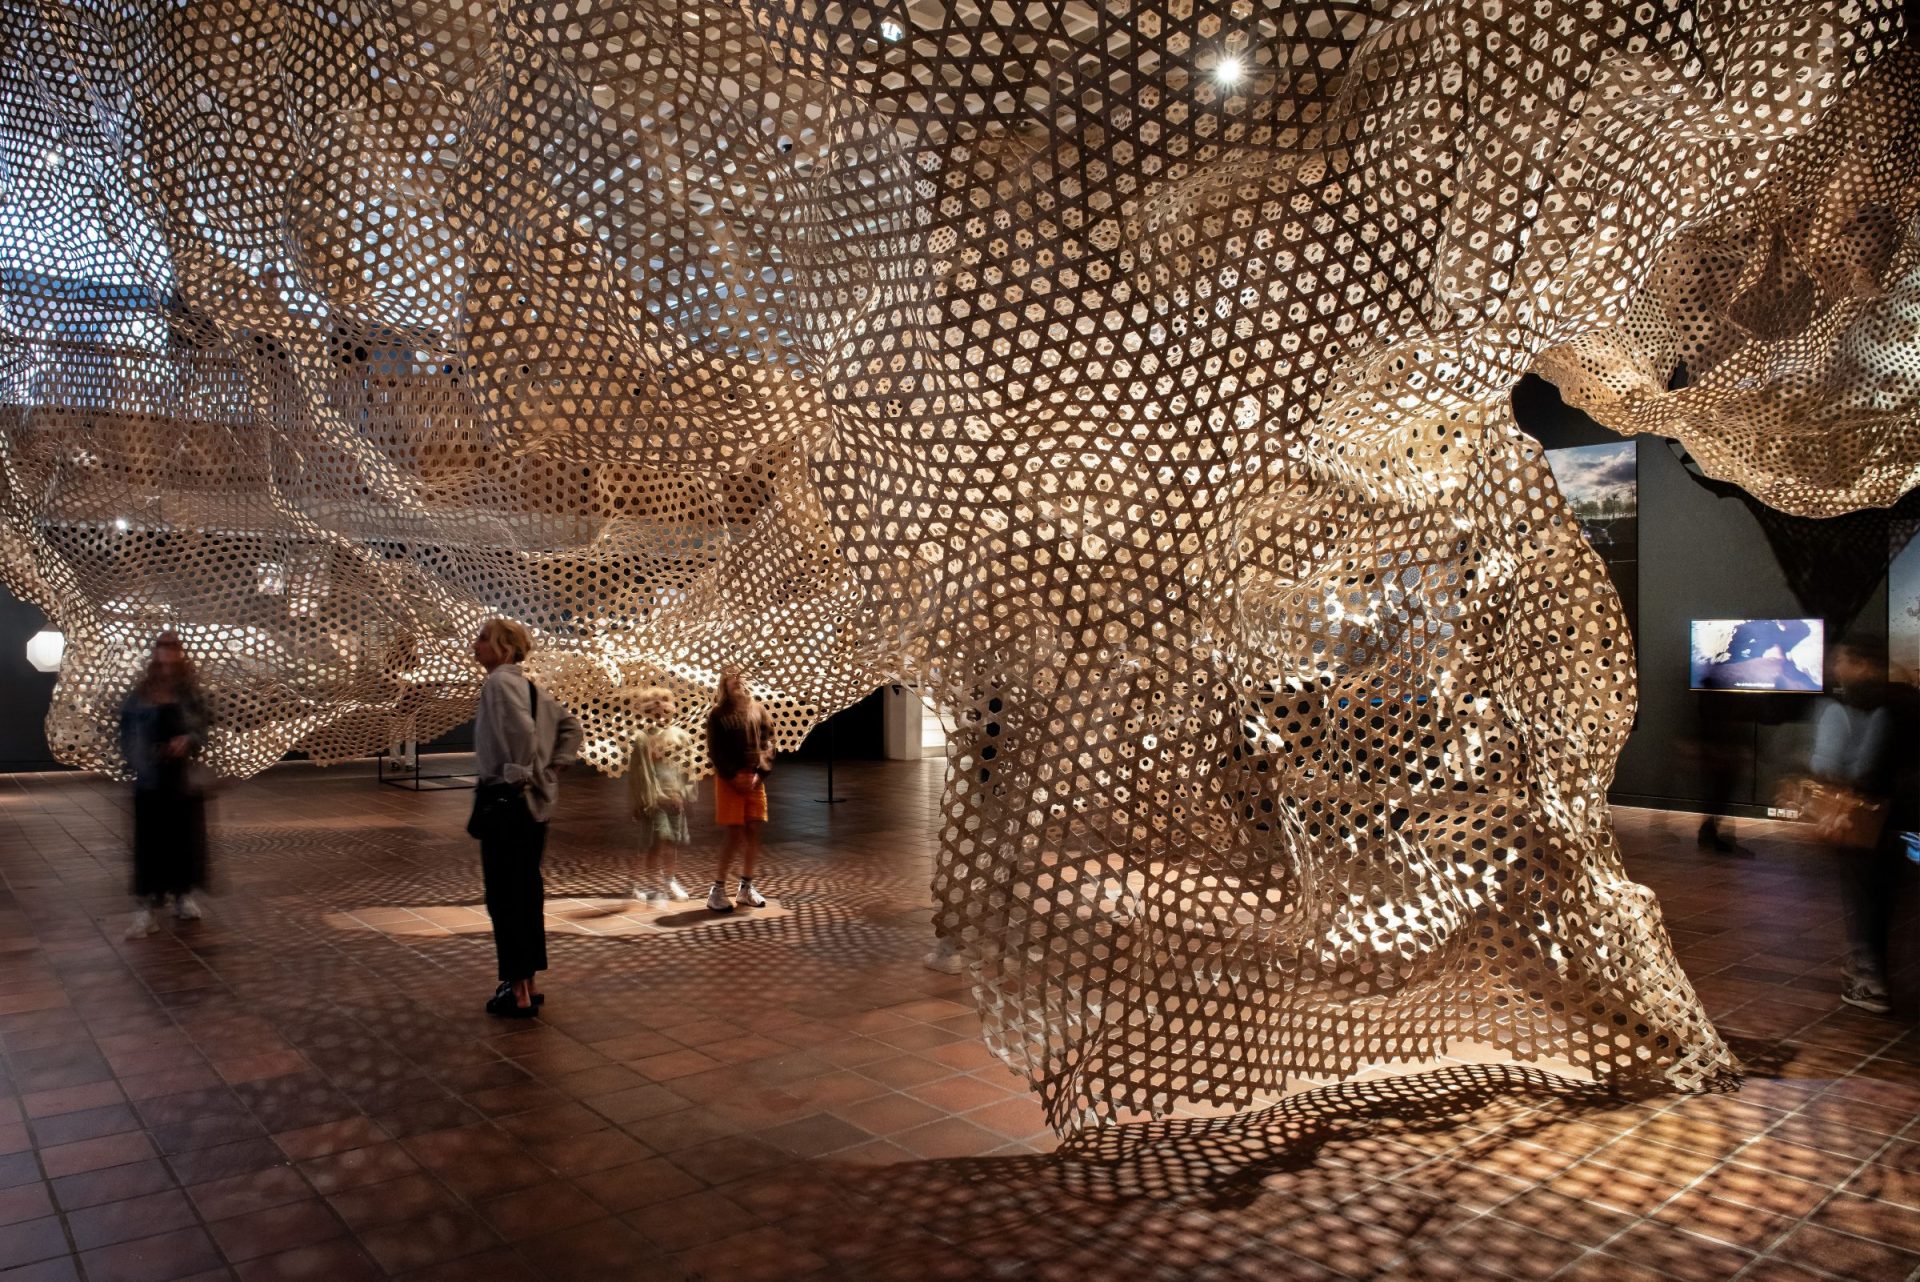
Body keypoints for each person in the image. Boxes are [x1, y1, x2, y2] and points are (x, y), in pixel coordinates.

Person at [471, 618, 583, 1017]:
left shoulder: (499, 682)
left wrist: (523, 774)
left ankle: (516, 992)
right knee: (527, 893)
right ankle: (528, 983)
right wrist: (553, 771)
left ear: (503, 648)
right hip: (532, 808)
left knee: (505, 897)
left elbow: (520, 733)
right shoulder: (531, 686)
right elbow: (571, 727)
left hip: (508, 803)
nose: (476, 643)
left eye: (484, 638)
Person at [1806, 642, 1916, 1015]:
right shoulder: (1904, 701)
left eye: (1844, 659)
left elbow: (1867, 765)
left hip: (1875, 818)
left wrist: (1844, 804)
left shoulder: (1870, 707)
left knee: (1866, 896)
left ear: (1864, 663)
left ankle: (1870, 981)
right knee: (1883, 898)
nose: (1836, 667)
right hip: (1903, 819)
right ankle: (1876, 972)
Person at [119, 632, 211, 939]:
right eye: (163, 648)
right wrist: (144, 756)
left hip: (181, 779)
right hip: (150, 778)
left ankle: (182, 896)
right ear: (156, 654)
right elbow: (127, 732)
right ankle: (146, 908)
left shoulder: (190, 692)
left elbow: (202, 728)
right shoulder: (142, 692)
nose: (168, 654)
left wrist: (188, 740)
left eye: (173, 648)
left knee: (183, 839)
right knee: (150, 842)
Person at [705, 665, 775, 913]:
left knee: (753, 830)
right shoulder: (717, 714)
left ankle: (746, 888)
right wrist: (732, 775)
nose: (736, 679)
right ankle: (718, 889)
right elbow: (715, 751)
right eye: (730, 676)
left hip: (754, 781)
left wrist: (760, 773)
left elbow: (768, 743)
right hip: (730, 781)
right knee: (734, 834)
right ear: (723, 682)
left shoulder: (758, 709)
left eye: (740, 675)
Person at [626, 687, 692, 902]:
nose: (659, 706)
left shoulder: (680, 736)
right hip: (653, 800)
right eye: (653, 702)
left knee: (671, 842)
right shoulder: (642, 738)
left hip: (674, 798)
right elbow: (639, 773)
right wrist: (642, 800)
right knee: (656, 841)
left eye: (664, 701)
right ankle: (648, 883)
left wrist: (683, 794)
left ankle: (669, 879)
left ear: (672, 706)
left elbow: (687, 769)